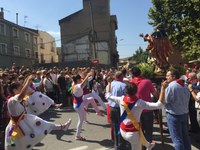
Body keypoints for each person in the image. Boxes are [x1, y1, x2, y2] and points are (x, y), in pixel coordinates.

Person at [4, 75, 71, 150]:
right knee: (19, 145)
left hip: (24, 120)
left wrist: (27, 81)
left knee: (44, 124)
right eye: (20, 89)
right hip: (19, 124)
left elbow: (25, 95)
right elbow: (22, 94)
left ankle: (62, 127)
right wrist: (28, 81)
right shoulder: (12, 100)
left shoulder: (18, 99)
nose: (22, 90)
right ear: (15, 90)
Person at [105, 79, 168, 150]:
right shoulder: (140, 103)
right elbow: (159, 105)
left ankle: (148, 145)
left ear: (126, 91)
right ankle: (148, 145)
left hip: (122, 131)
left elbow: (108, 95)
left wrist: (109, 83)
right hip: (133, 133)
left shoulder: (121, 99)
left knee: (139, 134)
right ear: (136, 91)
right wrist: (163, 88)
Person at [130, 67, 158, 146]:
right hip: (146, 108)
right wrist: (158, 99)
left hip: (136, 109)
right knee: (148, 128)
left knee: (139, 128)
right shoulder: (147, 82)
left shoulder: (131, 82)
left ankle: (140, 144)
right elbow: (154, 93)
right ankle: (148, 144)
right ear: (140, 73)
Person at [165, 69, 191, 150]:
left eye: (168, 75)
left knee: (177, 139)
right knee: (185, 137)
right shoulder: (184, 85)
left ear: (173, 76)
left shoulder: (171, 86)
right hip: (184, 113)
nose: (166, 77)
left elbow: (165, 101)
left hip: (174, 115)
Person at [107, 71, 127, 150]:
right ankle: (122, 145)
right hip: (120, 108)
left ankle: (116, 145)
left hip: (112, 108)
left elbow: (107, 94)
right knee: (121, 127)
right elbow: (126, 97)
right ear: (121, 77)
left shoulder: (111, 84)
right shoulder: (123, 85)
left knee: (115, 127)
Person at [72, 71, 93, 141]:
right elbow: (82, 84)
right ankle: (77, 135)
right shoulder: (77, 86)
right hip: (78, 104)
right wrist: (87, 75)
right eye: (80, 79)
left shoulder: (74, 84)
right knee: (80, 121)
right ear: (78, 80)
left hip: (77, 103)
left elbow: (83, 84)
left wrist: (87, 77)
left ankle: (78, 135)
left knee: (81, 119)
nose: (81, 79)